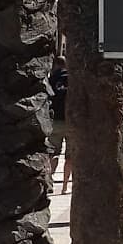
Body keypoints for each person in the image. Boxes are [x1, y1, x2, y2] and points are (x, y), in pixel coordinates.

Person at [49, 55, 70, 189]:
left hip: (55, 121)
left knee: (53, 153)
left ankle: (49, 181)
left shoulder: (51, 79)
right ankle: (64, 185)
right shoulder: (72, 78)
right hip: (71, 122)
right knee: (70, 156)